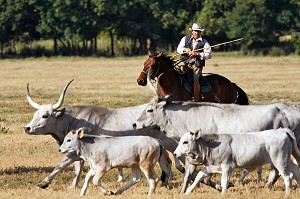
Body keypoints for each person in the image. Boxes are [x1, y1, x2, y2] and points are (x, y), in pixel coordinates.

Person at [177, 23, 212, 101]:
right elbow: (179, 49)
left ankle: (196, 98)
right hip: (186, 63)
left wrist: (198, 54)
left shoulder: (204, 42)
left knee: (196, 79)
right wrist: (185, 50)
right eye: (195, 31)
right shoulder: (185, 38)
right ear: (192, 31)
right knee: (178, 73)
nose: (196, 33)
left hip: (197, 65)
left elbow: (209, 54)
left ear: (200, 32)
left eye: (198, 31)